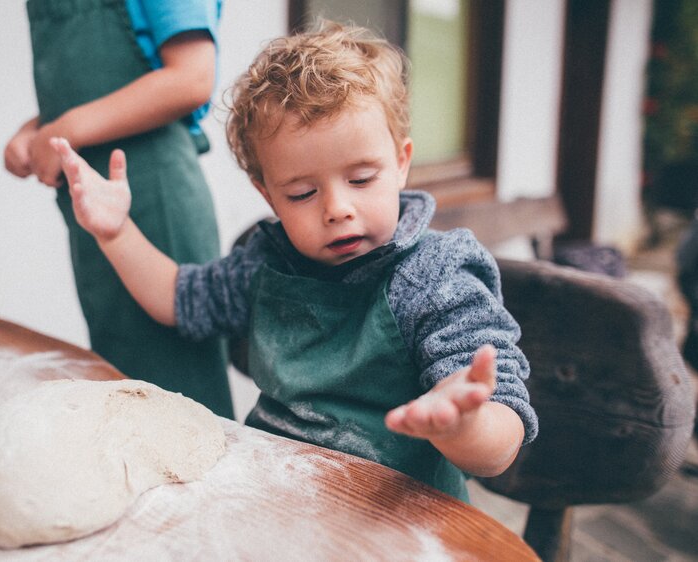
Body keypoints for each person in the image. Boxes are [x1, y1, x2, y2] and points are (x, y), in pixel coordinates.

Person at [49, 20, 538, 502]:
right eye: (303, 193)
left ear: (402, 161)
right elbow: (175, 298)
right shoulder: (265, 263)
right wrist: (115, 231)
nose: (337, 208)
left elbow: (500, 439)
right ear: (268, 194)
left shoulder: (436, 277)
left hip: (400, 524)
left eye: (362, 179)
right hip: (274, 501)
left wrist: (463, 425)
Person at [3, 0, 233, 418]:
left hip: (155, 200)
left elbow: (191, 77)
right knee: (120, 376)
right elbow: (100, 90)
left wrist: (64, 129)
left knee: (176, 394)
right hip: (92, 206)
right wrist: (39, 131)